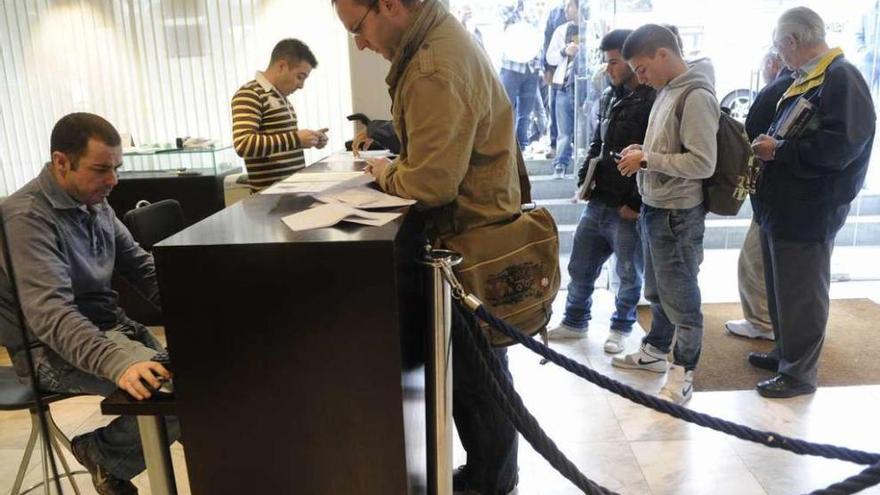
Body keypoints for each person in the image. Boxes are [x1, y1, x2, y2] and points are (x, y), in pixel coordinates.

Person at [332, 0, 528, 492]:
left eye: (358, 28)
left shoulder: (432, 65)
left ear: (391, 6)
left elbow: (432, 182)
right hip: (476, 232)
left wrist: (385, 172)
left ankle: (490, 482)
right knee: (480, 375)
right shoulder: (437, 39)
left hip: (467, 242)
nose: (359, 43)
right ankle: (492, 474)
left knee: (476, 379)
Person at [0, 113, 180, 495]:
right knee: (174, 394)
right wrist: (119, 363)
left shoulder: (94, 200)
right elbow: (53, 316)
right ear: (61, 162)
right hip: (47, 350)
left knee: (207, 375)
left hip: (110, 327)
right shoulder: (25, 217)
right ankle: (101, 453)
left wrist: (196, 312)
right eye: (101, 169)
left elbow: (143, 268)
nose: (113, 180)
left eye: (116, 168)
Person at [750, 7, 876, 398]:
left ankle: (800, 373)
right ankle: (787, 353)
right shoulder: (805, 78)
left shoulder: (842, 77)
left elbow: (843, 147)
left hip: (810, 207)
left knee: (802, 292)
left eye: (779, 47)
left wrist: (780, 151)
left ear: (792, 41)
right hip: (784, 204)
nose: (779, 56)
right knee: (782, 287)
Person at [611, 24, 719, 406]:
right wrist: (645, 151)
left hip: (677, 214)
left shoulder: (696, 94)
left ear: (663, 54)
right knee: (657, 291)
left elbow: (703, 162)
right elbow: (674, 149)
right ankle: (657, 350)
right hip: (656, 208)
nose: (639, 77)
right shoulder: (668, 91)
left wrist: (649, 158)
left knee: (682, 298)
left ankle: (684, 370)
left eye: (642, 67)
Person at [547, 29, 654, 355]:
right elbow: (599, 141)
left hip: (627, 204)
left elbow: (652, 153)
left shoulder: (653, 99)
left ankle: (621, 327)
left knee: (626, 273)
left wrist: (636, 203)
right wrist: (585, 180)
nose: (609, 68)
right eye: (607, 62)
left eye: (614, 62)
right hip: (600, 198)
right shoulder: (611, 95)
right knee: (581, 265)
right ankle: (575, 320)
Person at [725, 50, 791, 341]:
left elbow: (752, 134)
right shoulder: (803, 86)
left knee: (754, 262)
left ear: (773, 63)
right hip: (789, 196)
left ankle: (763, 323)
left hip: (777, 195)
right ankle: (771, 323)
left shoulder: (778, 89)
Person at [231, 38, 328, 190]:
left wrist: (311, 138)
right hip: (269, 200)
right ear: (282, 66)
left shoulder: (281, 97)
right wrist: (296, 139)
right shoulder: (249, 94)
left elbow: (281, 141)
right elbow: (243, 144)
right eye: (300, 77)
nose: (301, 85)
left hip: (288, 194)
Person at [498, 1, 543, 152]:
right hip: (511, 66)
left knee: (526, 113)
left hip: (531, 67)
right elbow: (504, 17)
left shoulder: (536, 9)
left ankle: (521, 147)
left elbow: (538, 35)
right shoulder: (509, 7)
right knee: (505, 108)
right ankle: (504, 146)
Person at [545, 0, 580, 179]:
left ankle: (586, 168)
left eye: (569, 6)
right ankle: (561, 164)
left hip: (586, 88)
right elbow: (550, 57)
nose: (565, 10)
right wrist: (564, 51)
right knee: (564, 130)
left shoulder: (594, 28)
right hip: (564, 85)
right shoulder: (561, 30)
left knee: (587, 129)